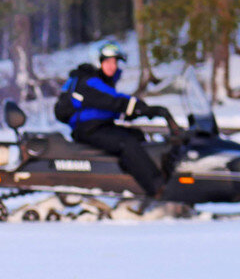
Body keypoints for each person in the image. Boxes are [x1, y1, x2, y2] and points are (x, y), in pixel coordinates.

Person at [58, 41, 169, 198]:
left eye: (115, 62)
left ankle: (130, 182)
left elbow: (108, 108)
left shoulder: (98, 80)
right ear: (98, 61)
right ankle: (158, 188)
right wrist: (145, 108)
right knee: (126, 143)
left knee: (137, 136)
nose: (113, 66)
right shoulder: (89, 81)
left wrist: (138, 112)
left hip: (99, 126)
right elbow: (113, 100)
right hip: (88, 129)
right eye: (108, 61)